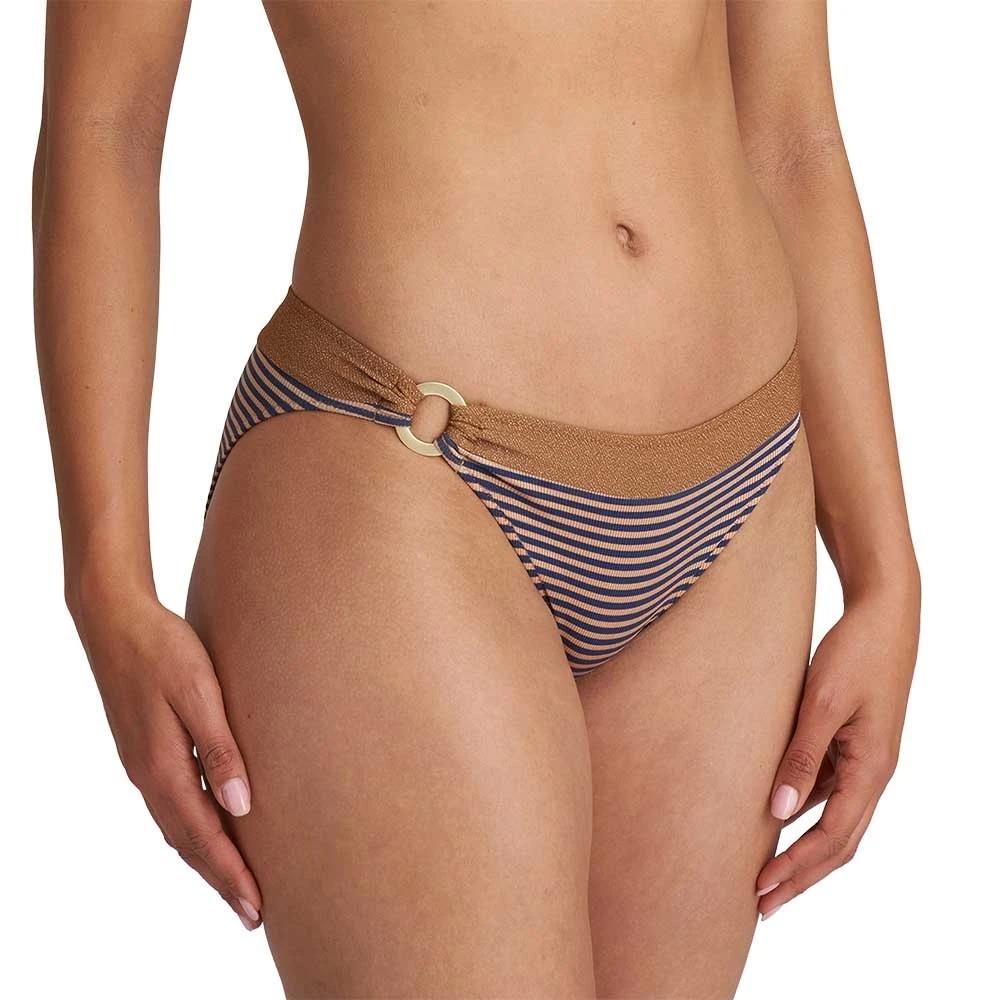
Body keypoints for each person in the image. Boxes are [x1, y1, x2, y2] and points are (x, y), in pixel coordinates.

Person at [32, 1, 920, 996]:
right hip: (402, 481)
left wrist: (884, 571)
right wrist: (104, 581)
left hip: (738, 503)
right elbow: (105, 127)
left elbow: (793, 134)